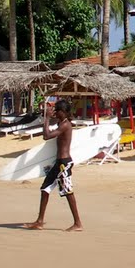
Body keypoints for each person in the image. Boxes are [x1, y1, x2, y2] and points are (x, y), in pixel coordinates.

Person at [25, 99, 83, 231]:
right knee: (45, 189)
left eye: (57, 110)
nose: (55, 112)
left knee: (68, 192)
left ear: (63, 112)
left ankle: (78, 223)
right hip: (58, 163)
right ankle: (39, 221)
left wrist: (46, 119)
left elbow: (46, 136)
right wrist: (48, 116)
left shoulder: (65, 125)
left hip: (64, 164)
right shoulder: (61, 122)